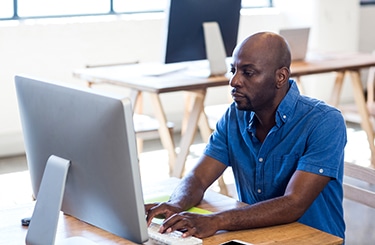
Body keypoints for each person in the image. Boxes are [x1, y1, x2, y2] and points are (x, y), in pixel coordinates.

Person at [145, 31, 347, 240]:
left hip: (312, 241)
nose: (234, 81)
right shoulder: (235, 116)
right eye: (234, 70)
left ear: (281, 77)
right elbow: (198, 177)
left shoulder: (324, 122)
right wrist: (176, 204)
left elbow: (293, 203)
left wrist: (217, 220)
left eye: (248, 73)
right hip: (257, 238)